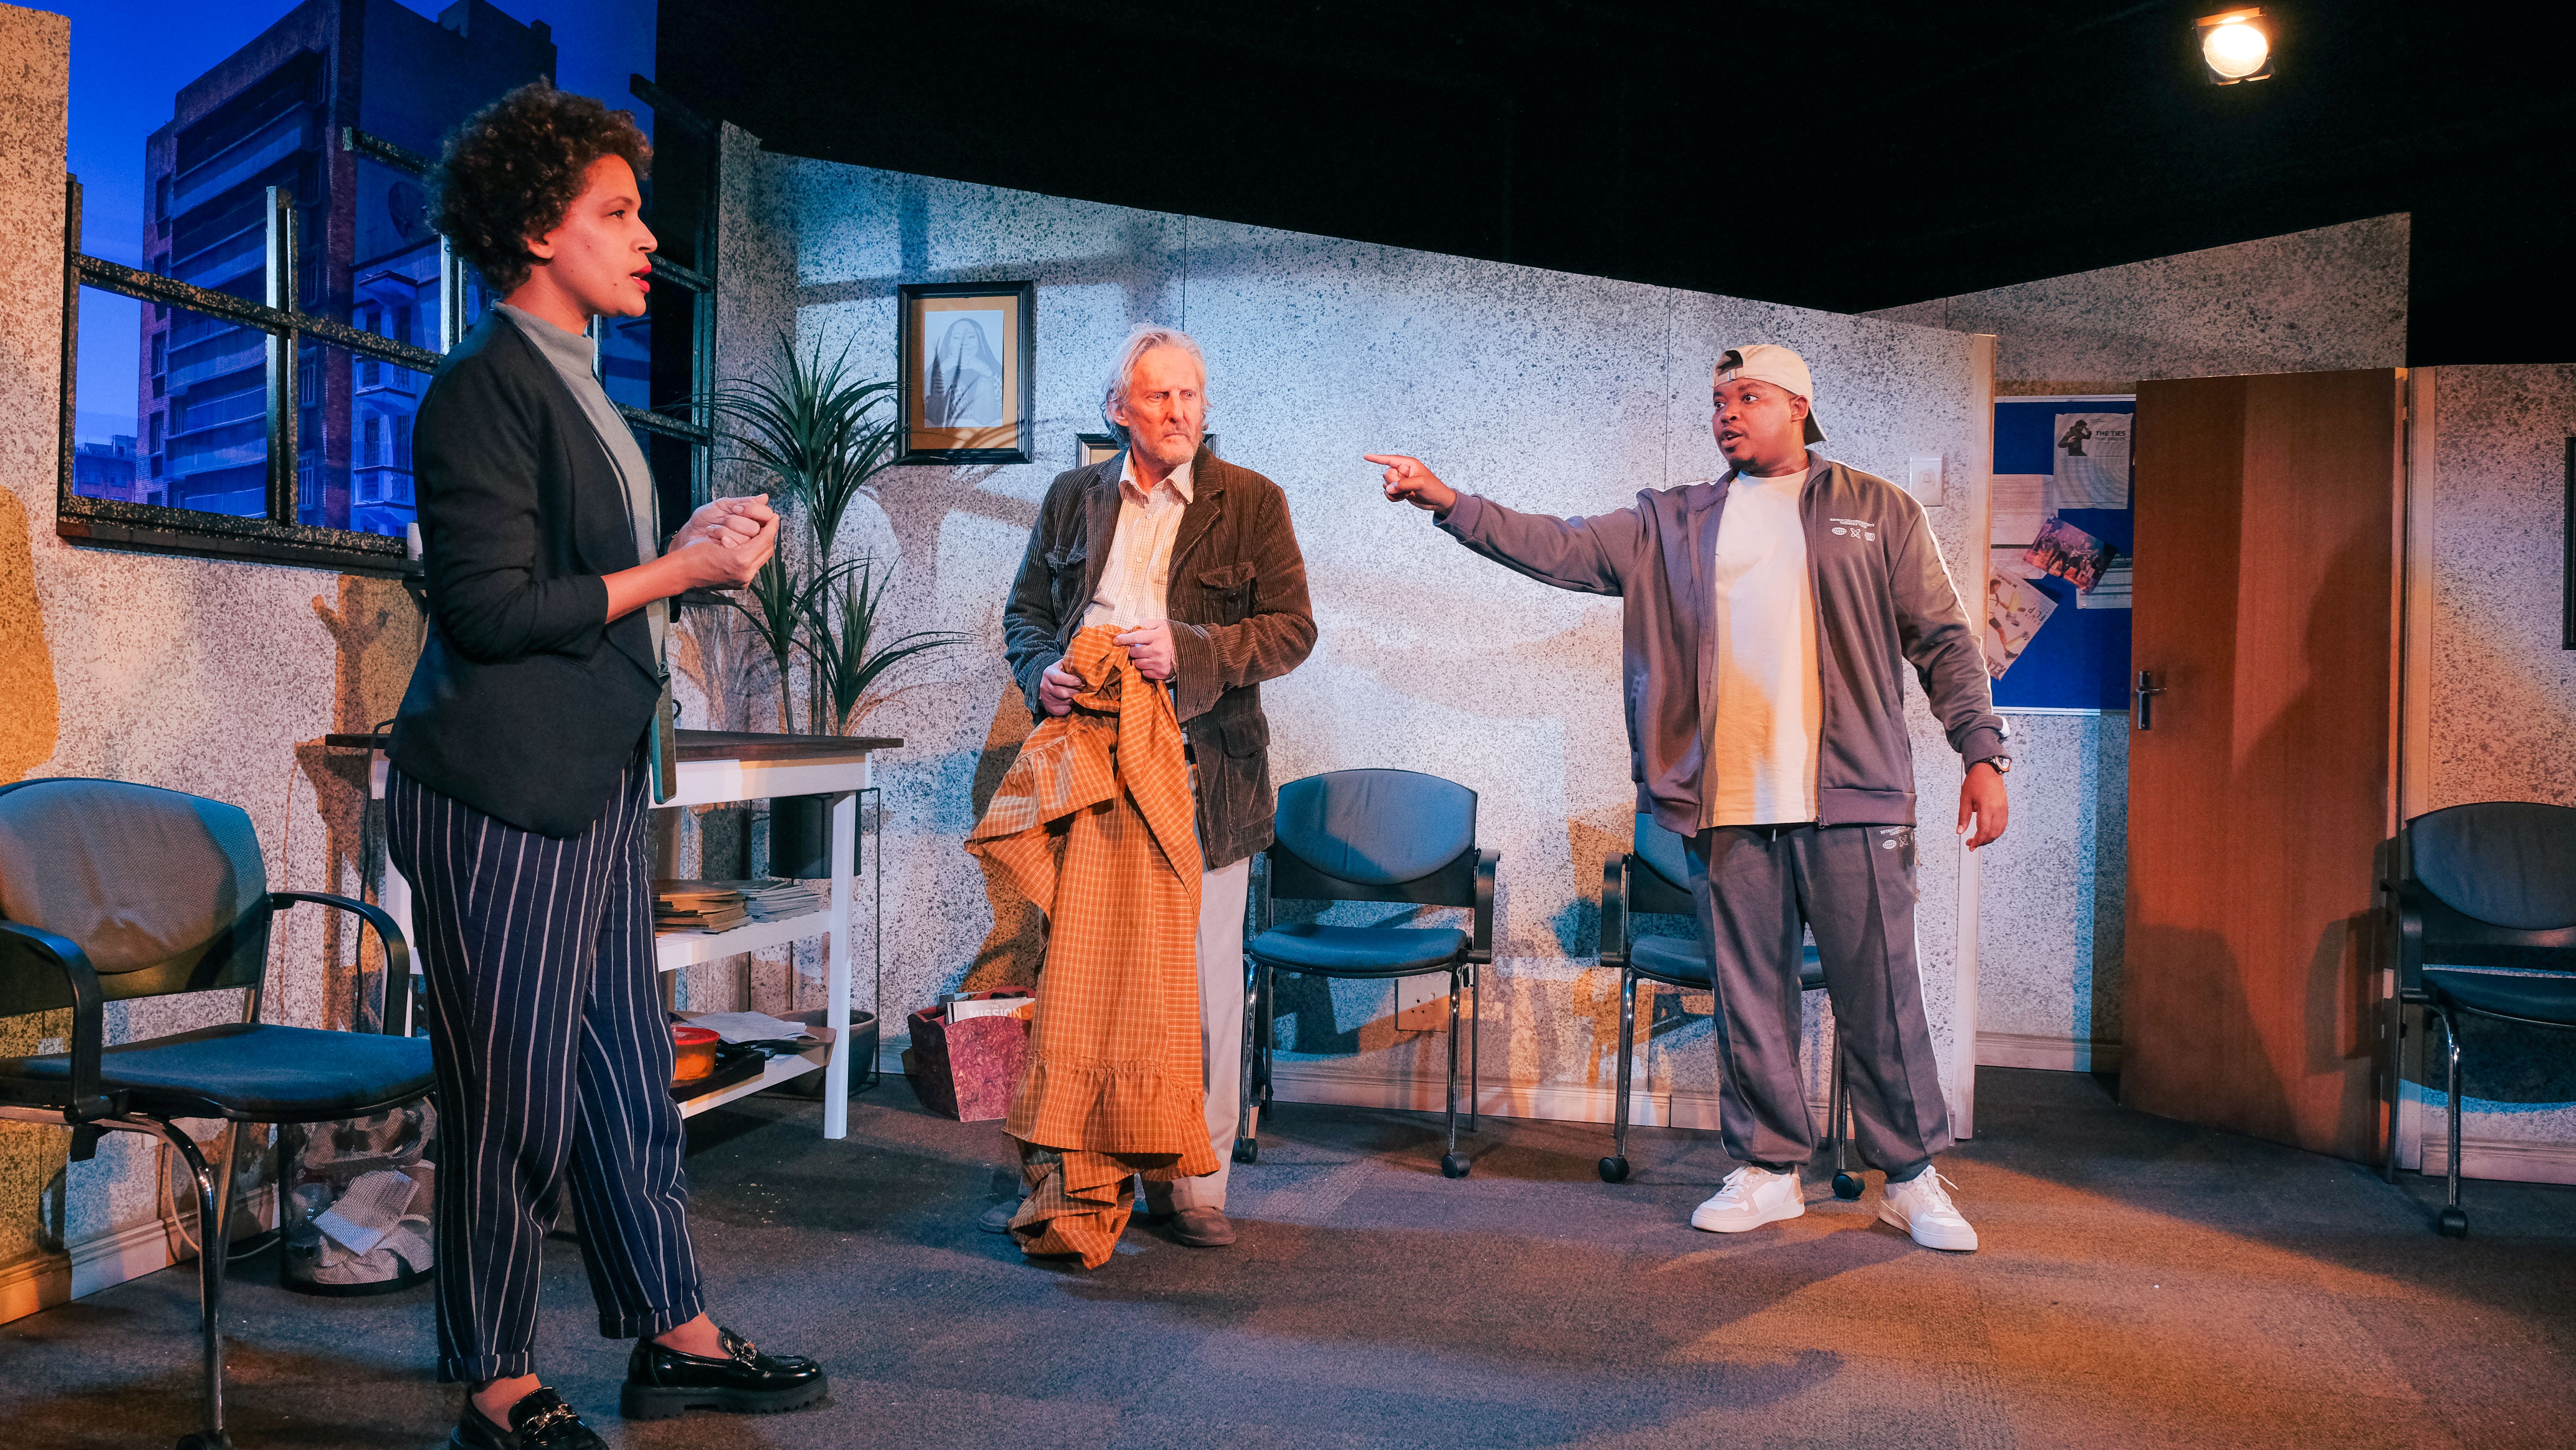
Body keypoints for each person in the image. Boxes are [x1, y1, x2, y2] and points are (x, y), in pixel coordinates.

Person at [393, 81, 824, 1449]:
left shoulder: (578, 385)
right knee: (513, 1097)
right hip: (497, 792)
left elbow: (585, 581)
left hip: (586, 782)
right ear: (538, 227)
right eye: (619, 213)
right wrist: (678, 572)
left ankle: (672, 1327)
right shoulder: (482, 387)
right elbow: (488, 610)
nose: (648, 238)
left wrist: (683, 549)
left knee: (629, 1075)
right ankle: (495, 1376)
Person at [1368, 344, 2010, 1252]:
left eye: (1748, 397)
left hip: (1855, 800)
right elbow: (1560, 546)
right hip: (1727, 802)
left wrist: (1981, 752)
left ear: (1799, 408)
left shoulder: (1877, 510)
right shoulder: (1670, 521)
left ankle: (1909, 1178)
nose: (1727, 413)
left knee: (1882, 997)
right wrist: (1448, 502)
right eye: (1718, 400)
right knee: (1750, 999)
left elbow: (1944, 639)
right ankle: (1770, 1170)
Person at [989, 324, 1316, 1250]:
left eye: (1191, 395)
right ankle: (1091, 1168)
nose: (1179, 412)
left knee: (1202, 989)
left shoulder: (1252, 501)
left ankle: (1194, 1184)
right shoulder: (1073, 498)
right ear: (1118, 409)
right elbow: (1025, 613)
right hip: (1086, 765)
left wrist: (1194, 650)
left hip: (1200, 769)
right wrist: (1044, 673)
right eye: (1159, 395)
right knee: (1090, 981)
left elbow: (1293, 629)